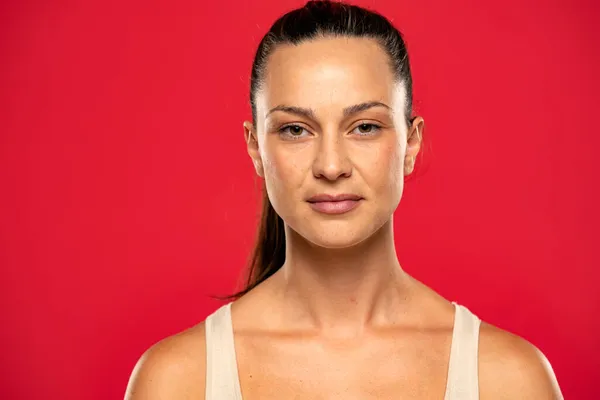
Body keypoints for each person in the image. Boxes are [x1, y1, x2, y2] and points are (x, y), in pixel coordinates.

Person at [124, 1, 563, 398]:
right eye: (295, 129)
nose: (331, 166)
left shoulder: (509, 379)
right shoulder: (177, 381)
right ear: (255, 147)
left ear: (411, 144)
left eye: (365, 127)